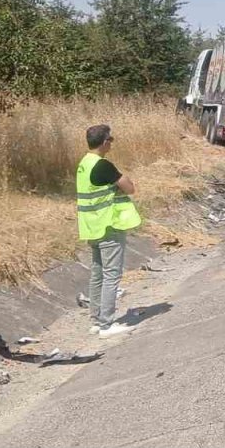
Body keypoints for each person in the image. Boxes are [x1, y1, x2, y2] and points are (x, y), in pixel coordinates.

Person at [76, 124, 142, 338]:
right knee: (111, 275)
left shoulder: (84, 164)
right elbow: (130, 187)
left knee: (97, 275)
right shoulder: (103, 166)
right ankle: (106, 324)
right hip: (108, 226)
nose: (111, 142)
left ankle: (96, 321)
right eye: (110, 139)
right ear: (104, 142)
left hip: (92, 227)